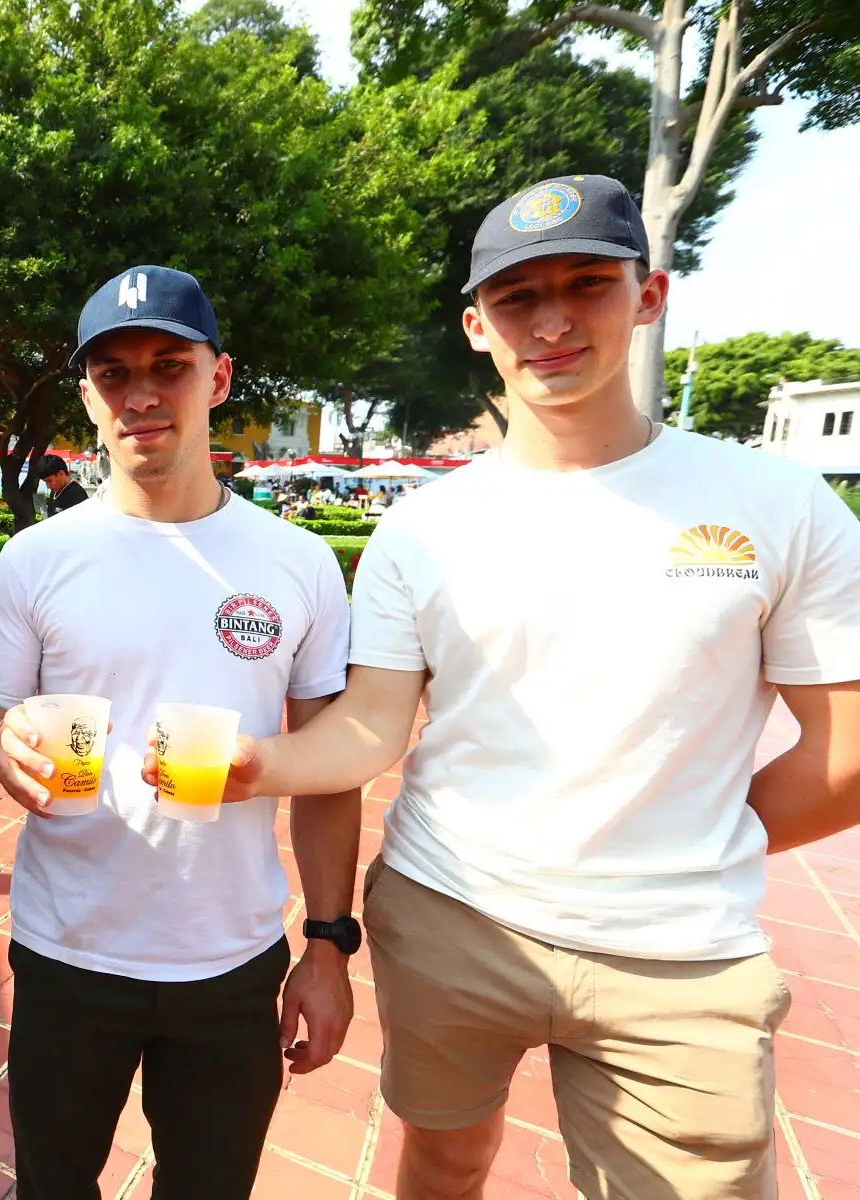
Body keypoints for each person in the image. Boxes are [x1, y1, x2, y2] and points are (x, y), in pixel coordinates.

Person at [236, 174, 860, 1200]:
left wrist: (694, 832)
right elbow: (372, 729)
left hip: (678, 953)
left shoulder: (779, 505)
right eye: (519, 297)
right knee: (443, 1158)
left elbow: (847, 754)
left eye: (586, 285)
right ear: (478, 326)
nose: (553, 322)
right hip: (450, 914)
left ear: (648, 296)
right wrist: (257, 765)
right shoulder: (423, 527)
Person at [0, 266, 361, 1199]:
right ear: (87, 396)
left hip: (231, 959)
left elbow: (328, 768)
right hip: (68, 952)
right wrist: (3, 743)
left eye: (168, 367)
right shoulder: (37, 559)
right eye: (113, 373)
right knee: (52, 1187)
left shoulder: (299, 562)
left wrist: (328, 945)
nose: (140, 395)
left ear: (218, 379)